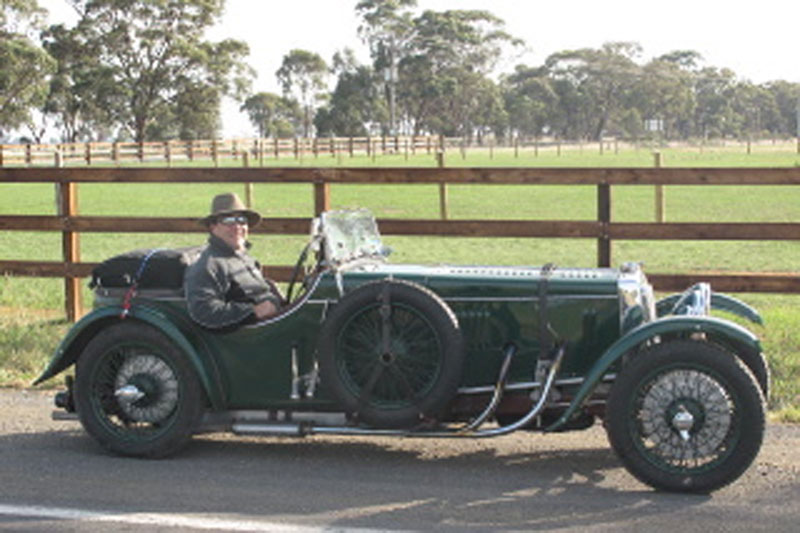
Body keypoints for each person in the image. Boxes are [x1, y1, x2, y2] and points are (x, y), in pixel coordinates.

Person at [184, 192, 282, 329]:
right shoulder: (208, 265)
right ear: (213, 227)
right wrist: (253, 311)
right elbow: (204, 312)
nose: (237, 227)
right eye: (228, 221)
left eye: (242, 221)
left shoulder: (244, 257)